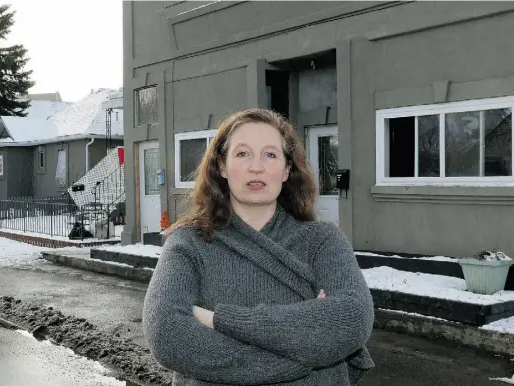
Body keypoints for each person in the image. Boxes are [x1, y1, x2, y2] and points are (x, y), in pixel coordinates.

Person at [142, 108, 375, 385]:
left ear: (287, 170)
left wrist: (220, 319)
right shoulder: (189, 243)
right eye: (242, 154)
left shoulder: (323, 241)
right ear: (222, 167)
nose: (256, 167)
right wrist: (303, 352)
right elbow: (167, 334)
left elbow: (352, 318)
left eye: (270, 154)